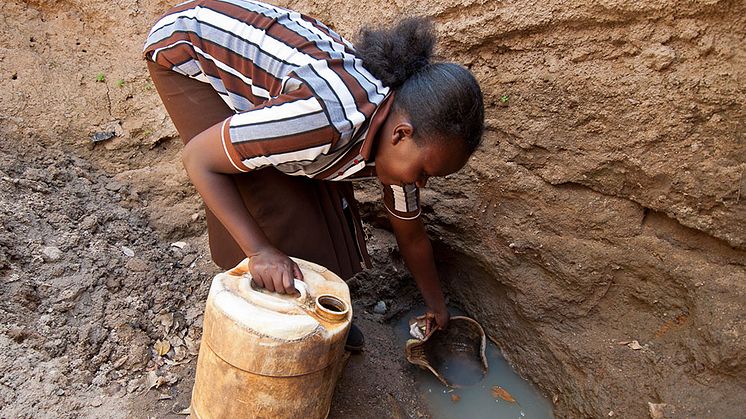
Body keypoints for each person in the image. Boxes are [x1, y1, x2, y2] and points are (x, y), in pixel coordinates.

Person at [143, 0, 484, 349]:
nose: (421, 183)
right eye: (424, 171)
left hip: (280, 90)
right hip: (189, 49)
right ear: (401, 134)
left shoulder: (395, 137)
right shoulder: (326, 117)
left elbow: (411, 235)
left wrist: (436, 306)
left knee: (317, 193)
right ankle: (268, 322)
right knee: (262, 191)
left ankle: (316, 313)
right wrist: (260, 251)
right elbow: (199, 159)